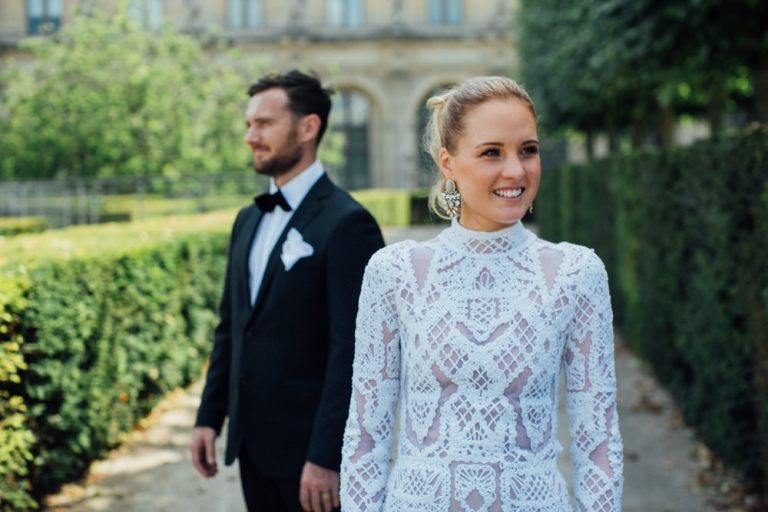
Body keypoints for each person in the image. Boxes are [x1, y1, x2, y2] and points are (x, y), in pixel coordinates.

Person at [340, 76, 623, 511]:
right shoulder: (394, 272)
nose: (516, 170)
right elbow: (365, 437)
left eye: (528, 150)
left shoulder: (576, 272)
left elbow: (599, 444)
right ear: (448, 164)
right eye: (492, 152)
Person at [190, 69, 385, 512]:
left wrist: (327, 456)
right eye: (249, 124)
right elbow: (232, 327)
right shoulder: (247, 219)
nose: (250, 137)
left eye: (264, 124)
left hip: (311, 458)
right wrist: (209, 417)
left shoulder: (348, 223)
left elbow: (355, 352)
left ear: (308, 127)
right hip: (252, 447)